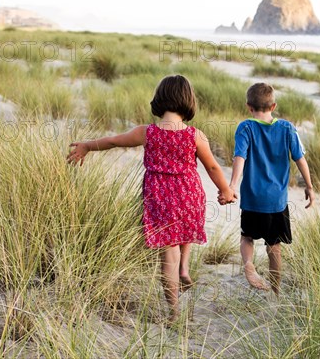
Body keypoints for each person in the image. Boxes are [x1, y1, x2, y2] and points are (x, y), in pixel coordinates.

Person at [67, 74, 236, 323]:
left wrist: (88, 146)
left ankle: (174, 311)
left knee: (168, 253)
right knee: (185, 231)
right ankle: (185, 269)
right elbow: (212, 167)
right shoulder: (195, 135)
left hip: (160, 197)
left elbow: (114, 141)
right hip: (189, 194)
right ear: (188, 101)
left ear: (159, 99)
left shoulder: (148, 132)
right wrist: (225, 190)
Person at [220, 83, 314, 295]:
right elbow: (300, 159)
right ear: (273, 106)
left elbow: (239, 157)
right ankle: (276, 290)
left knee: (247, 238)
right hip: (276, 202)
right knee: (274, 247)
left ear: (248, 107)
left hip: (253, 199)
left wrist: (233, 185)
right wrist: (309, 186)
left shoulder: (245, 127)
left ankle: (248, 265)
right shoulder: (288, 128)